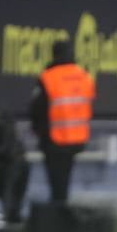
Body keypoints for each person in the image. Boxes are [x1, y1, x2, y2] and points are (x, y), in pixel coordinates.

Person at [30, 41, 94, 203]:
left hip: (55, 138)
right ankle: (62, 211)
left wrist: (38, 131)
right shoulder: (84, 75)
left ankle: (59, 215)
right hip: (78, 137)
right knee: (65, 178)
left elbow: (37, 109)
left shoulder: (49, 76)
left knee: (56, 181)